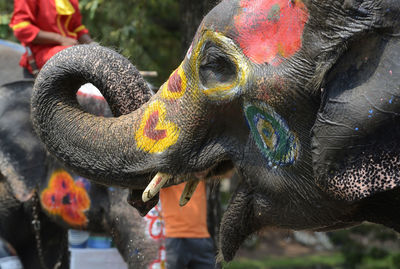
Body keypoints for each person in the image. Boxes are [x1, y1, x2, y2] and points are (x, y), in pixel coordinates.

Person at [9, 0, 93, 75]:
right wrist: (60, 39)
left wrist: (94, 46)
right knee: (78, 57)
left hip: (70, 49)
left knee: (96, 56)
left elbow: (77, 27)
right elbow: (21, 28)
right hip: (41, 52)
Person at [160, 180, 216, 269]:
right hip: (175, 237)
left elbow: (227, 173)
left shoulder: (199, 170)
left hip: (201, 236)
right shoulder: (166, 173)